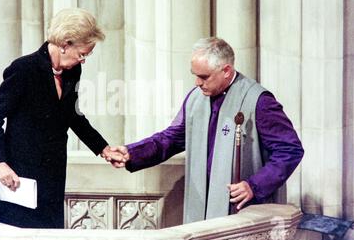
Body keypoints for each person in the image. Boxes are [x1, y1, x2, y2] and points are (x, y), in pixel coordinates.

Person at [106, 37, 304, 224]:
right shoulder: (195, 98)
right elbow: (172, 138)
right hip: (201, 209)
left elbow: (290, 150)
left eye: (204, 77)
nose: (197, 83)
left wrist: (254, 186)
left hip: (240, 211)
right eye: (195, 76)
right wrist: (132, 152)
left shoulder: (259, 101)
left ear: (226, 70)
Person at [0, 8, 123, 228]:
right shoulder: (23, 69)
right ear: (65, 44)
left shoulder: (72, 72)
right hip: (20, 178)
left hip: (53, 176)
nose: (83, 61)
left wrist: (104, 149)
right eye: (82, 54)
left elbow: (73, 116)